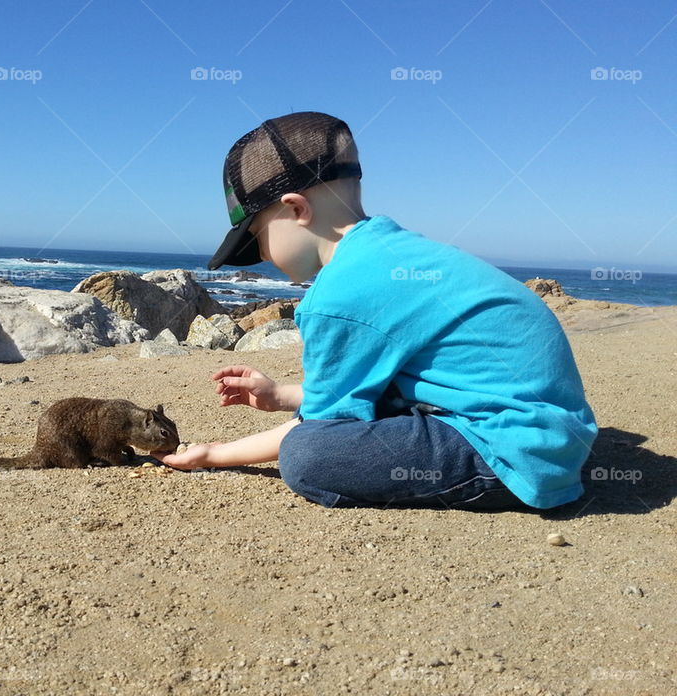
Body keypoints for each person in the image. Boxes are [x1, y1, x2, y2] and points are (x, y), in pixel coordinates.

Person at [154, 111, 599, 510]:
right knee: (355, 406)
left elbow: (323, 428)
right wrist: (282, 396)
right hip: (552, 430)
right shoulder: (393, 254)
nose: (264, 256)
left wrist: (215, 453)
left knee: (308, 456)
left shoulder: (340, 294)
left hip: (515, 449)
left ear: (296, 208)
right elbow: (379, 387)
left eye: (258, 237)